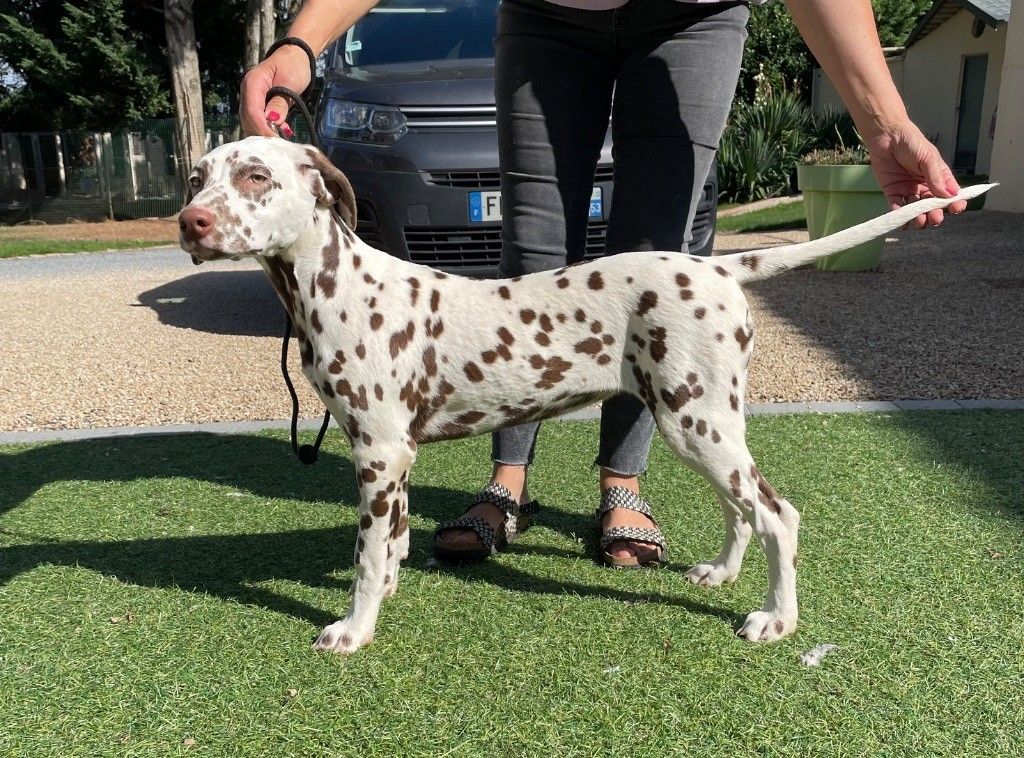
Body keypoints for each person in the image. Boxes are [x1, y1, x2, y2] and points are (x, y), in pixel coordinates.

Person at [241, 0, 966, 568]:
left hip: (694, 15)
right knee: (532, 257)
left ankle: (624, 484)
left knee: (656, 264)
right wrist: (300, 44)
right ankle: (506, 481)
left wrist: (886, 124)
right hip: (548, 17)